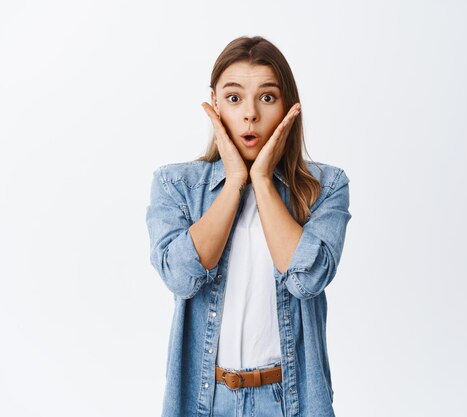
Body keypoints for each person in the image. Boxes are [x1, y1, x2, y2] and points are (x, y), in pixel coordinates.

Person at [145, 35, 352, 417]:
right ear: (215, 104)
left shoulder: (326, 186)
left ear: (289, 105)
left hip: (290, 400)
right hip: (206, 400)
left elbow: (307, 279)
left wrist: (262, 181)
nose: (250, 114)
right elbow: (181, 277)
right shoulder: (176, 186)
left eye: (267, 97)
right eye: (234, 98)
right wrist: (235, 180)